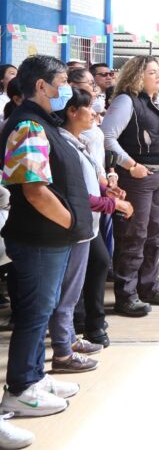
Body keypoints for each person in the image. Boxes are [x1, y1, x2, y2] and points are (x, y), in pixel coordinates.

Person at [0, 55, 89, 417]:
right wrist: (69, 221)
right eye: (63, 81)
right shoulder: (28, 126)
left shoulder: (43, 122)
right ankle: (20, 388)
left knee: (42, 309)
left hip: (50, 238)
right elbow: (34, 189)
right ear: (41, 85)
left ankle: (35, 376)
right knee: (34, 314)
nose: (67, 88)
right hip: (39, 237)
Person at [50, 87, 132, 373]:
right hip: (74, 227)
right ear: (72, 111)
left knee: (71, 291)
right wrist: (113, 205)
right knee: (66, 294)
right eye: (90, 108)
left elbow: (89, 183)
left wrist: (108, 188)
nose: (97, 114)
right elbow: (76, 196)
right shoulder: (63, 145)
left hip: (85, 227)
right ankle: (62, 351)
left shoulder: (76, 141)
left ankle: (68, 340)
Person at [102, 55, 159, 319]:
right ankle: (127, 295)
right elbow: (107, 137)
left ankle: (149, 287)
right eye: (152, 72)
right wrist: (129, 164)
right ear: (138, 75)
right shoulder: (126, 100)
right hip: (138, 178)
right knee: (133, 236)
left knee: (154, 234)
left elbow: (158, 140)